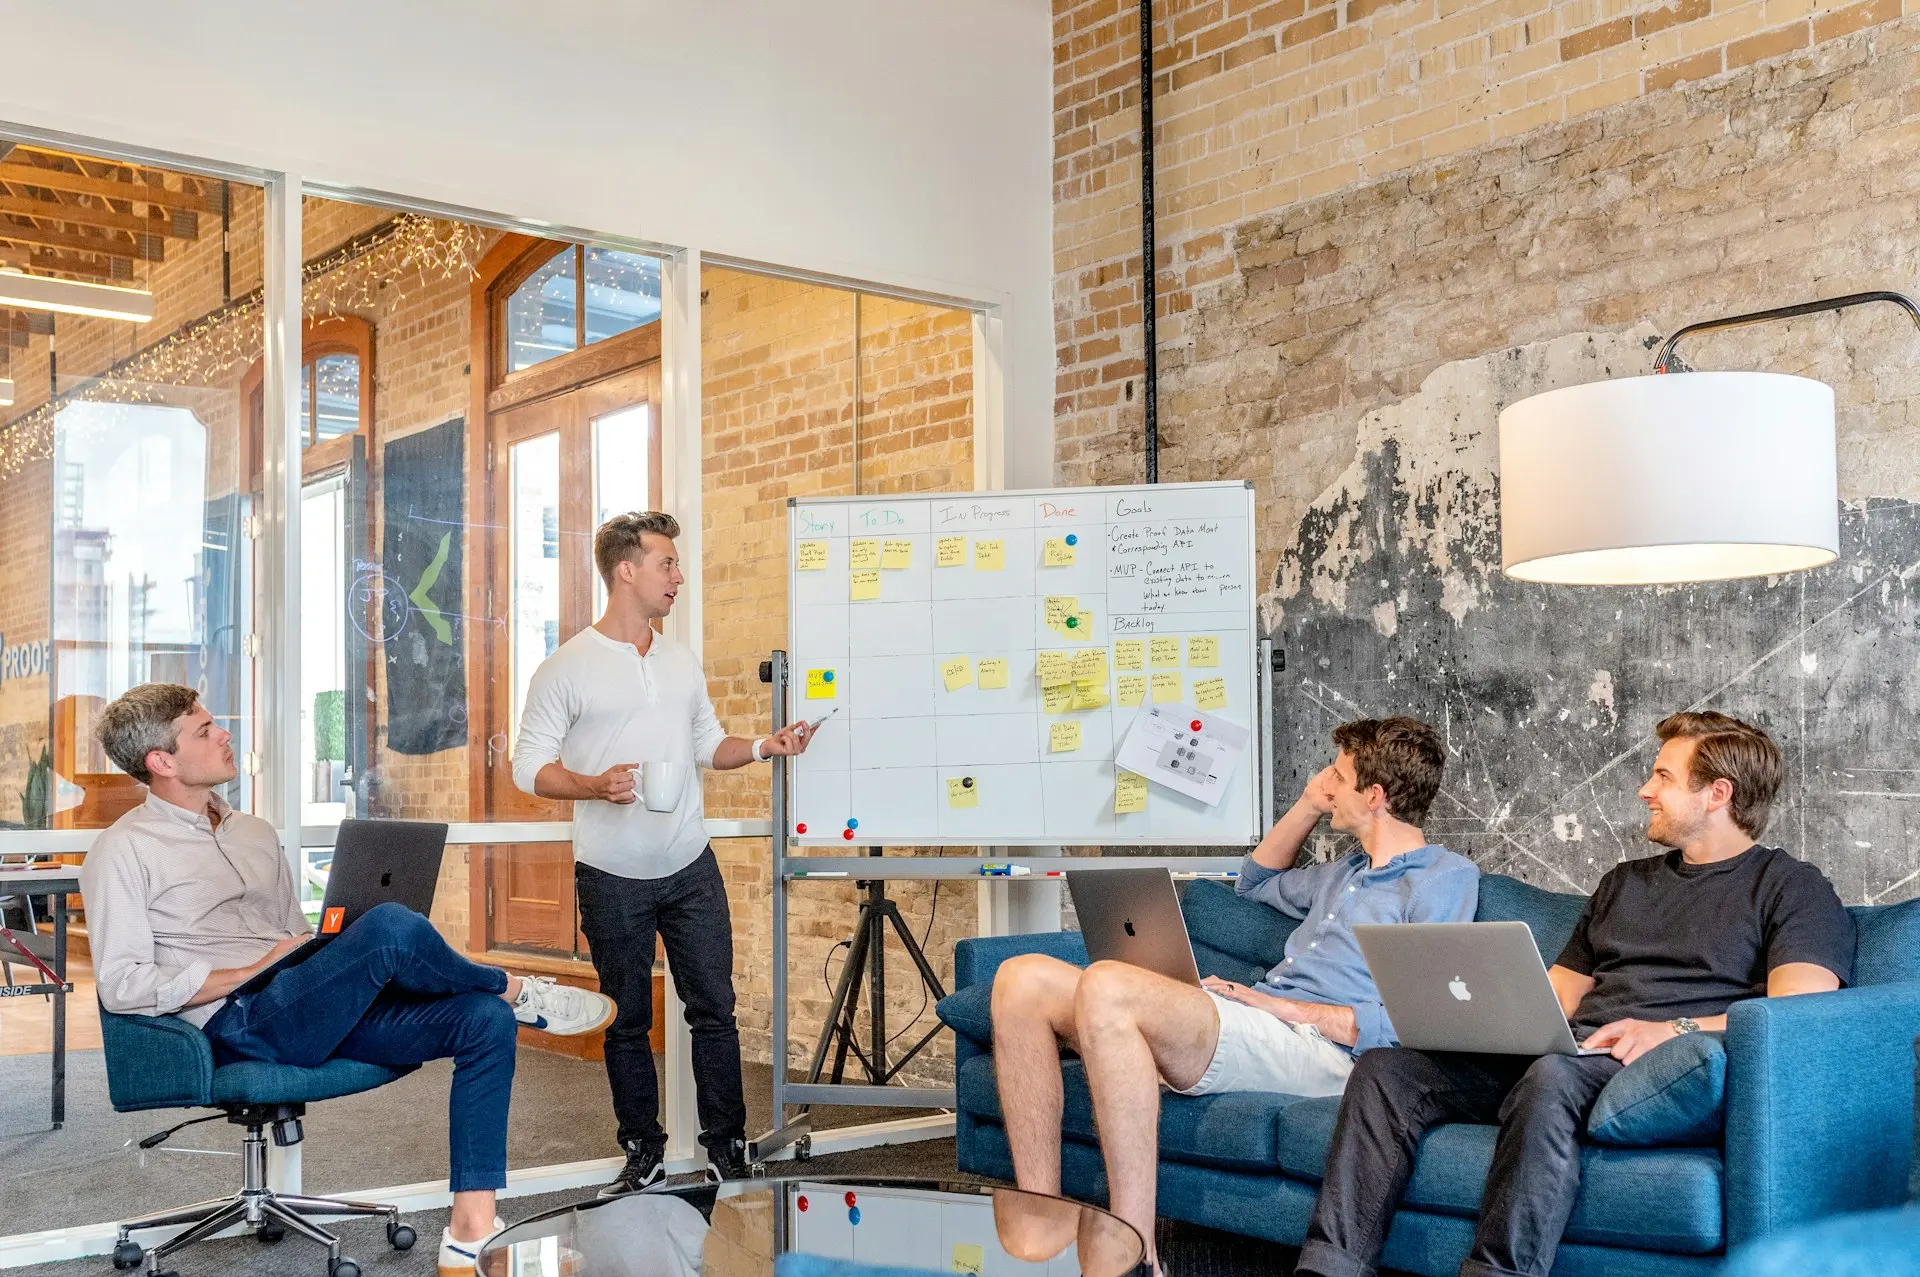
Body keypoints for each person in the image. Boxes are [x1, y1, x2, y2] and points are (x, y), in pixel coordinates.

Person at [1296, 710, 1855, 1277]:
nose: (1645, 790)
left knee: (1552, 1077)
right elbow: (1558, 996)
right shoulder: (1624, 883)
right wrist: (1485, 1019)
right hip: (1574, 1054)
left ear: (1718, 793)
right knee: (1387, 1071)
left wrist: (1672, 1030)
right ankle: (1330, 1270)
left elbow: (1795, 1016)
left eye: (1662, 776)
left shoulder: (1792, 887)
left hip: (1664, 1065)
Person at [80, 683, 613, 1277]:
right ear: (162, 761)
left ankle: (470, 1227)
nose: (225, 733)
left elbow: (291, 933)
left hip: (304, 999)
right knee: (390, 929)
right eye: (205, 731)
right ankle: (511, 988)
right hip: (240, 1020)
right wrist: (250, 969)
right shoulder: (122, 850)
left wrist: (328, 945)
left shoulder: (253, 832)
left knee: (479, 1021)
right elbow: (122, 984)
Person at [991, 716, 1479, 1272]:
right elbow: (1254, 883)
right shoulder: (1342, 873)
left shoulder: (1443, 878)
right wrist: (1307, 804)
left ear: (1374, 795)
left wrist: (1286, 1007)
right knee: (1021, 979)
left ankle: (1137, 1252)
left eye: (1337, 777)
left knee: (1107, 984)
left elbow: (1422, 1016)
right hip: (1259, 1025)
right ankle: (1042, 1213)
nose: (1326, 782)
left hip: (1325, 1054)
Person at [511, 511, 813, 1196]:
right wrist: (592, 783)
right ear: (627, 569)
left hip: (689, 864)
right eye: (667, 563)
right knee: (627, 1014)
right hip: (611, 874)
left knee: (715, 1007)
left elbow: (708, 744)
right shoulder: (567, 666)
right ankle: (643, 1150)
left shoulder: (679, 661)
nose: (678, 576)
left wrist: (766, 745)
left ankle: (725, 1145)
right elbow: (527, 767)